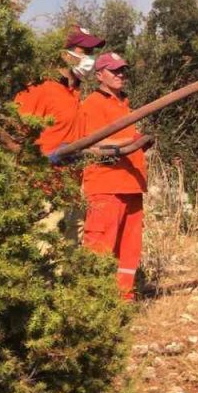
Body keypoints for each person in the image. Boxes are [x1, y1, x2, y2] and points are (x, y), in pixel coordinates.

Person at [71, 51, 154, 300]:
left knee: (129, 250)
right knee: (100, 248)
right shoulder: (92, 104)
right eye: (114, 70)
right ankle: (94, 305)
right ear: (99, 75)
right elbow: (93, 144)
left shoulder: (125, 104)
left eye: (122, 70)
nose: (120, 74)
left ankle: (123, 302)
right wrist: (132, 141)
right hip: (106, 187)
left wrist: (140, 143)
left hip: (131, 186)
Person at [12, 25, 104, 156]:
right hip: (43, 175)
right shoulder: (38, 89)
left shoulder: (75, 92)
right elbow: (14, 140)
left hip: (71, 175)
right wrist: (45, 158)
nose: (90, 58)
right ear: (64, 53)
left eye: (91, 52)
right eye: (85, 51)